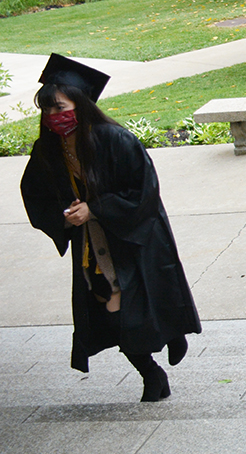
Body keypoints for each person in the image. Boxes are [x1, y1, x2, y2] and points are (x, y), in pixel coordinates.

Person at [20, 55, 201, 402]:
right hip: (91, 247)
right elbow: (35, 194)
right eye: (47, 110)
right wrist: (65, 216)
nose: (53, 117)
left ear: (81, 103)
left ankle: (167, 341)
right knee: (111, 315)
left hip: (132, 239)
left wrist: (97, 207)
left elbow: (144, 191)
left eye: (60, 107)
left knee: (133, 310)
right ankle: (152, 370)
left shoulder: (116, 139)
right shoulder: (47, 150)